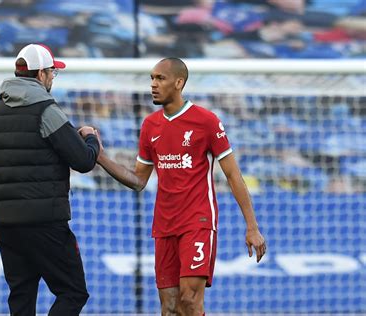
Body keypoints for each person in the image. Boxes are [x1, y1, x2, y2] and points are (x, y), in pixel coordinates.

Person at [89, 58, 266, 315]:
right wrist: (101, 157)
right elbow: (139, 181)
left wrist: (252, 227)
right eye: (152, 78)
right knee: (169, 308)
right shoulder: (150, 126)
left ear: (179, 82)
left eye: (160, 78)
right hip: (164, 224)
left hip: (198, 220)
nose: (153, 84)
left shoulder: (206, 121)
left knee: (190, 300)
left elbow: (232, 174)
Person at [0, 43, 100, 315]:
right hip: (45, 222)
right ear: (41, 74)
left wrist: (0, 210)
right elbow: (83, 161)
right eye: (53, 72)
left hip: (6, 226)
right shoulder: (46, 110)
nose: (53, 78)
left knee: (21, 297)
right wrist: (91, 138)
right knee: (72, 291)